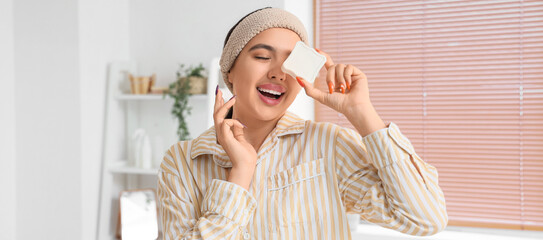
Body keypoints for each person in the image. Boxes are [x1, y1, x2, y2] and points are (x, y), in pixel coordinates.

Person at [157, 7, 448, 240]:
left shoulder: (329, 146)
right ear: (229, 70)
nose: (278, 72)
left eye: (291, 62)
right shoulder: (182, 162)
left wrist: (361, 113)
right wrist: (241, 175)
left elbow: (425, 218)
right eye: (261, 56)